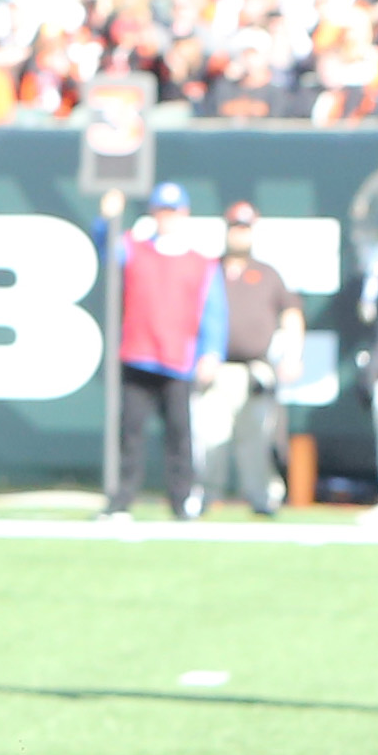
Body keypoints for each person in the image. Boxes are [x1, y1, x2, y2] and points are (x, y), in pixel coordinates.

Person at [98, 182, 225, 521]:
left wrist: (211, 352)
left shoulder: (201, 261)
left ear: (184, 214)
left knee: (180, 437)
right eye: (161, 212)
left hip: (177, 361)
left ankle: (182, 501)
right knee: (130, 434)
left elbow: (214, 311)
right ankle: (121, 500)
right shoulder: (135, 248)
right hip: (139, 355)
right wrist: (106, 218)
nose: (167, 218)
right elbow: (108, 250)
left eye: (173, 212)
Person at [197, 201, 303, 515]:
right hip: (216, 368)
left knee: (256, 440)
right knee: (210, 437)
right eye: (235, 227)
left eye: (245, 228)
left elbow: (292, 315)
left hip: (255, 370)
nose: (239, 234)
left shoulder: (267, 274)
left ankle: (261, 499)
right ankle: (203, 497)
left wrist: (292, 355)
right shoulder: (209, 270)